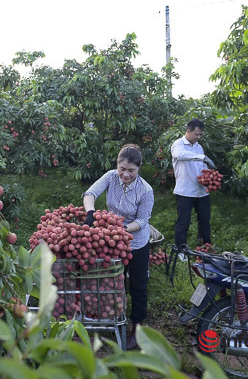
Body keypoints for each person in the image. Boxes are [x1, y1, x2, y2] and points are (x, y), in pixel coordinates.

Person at [82, 144, 154, 350]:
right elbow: (90, 193)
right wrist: (90, 214)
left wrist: (119, 228)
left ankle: (137, 328)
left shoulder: (145, 190)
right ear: (117, 165)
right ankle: (111, 316)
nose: (125, 174)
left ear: (139, 168)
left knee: (138, 285)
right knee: (113, 278)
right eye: (122, 169)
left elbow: (142, 221)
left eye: (131, 170)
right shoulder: (111, 176)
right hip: (113, 238)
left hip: (136, 241)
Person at [171, 119, 216, 249]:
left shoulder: (199, 147)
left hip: (201, 191)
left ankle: (205, 247)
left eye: (200, 134)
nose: (198, 137)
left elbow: (202, 167)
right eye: (196, 134)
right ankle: (181, 249)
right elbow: (180, 155)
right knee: (183, 222)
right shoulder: (178, 144)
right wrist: (203, 158)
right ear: (188, 131)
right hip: (185, 191)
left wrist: (210, 177)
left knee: (204, 221)